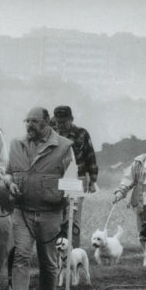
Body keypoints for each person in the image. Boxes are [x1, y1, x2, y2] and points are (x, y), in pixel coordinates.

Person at [3, 107, 78, 290]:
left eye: (34, 121)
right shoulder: (16, 145)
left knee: (48, 260)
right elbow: (8, 172)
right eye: (27, 121)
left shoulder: (63, 147)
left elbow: (72, 178)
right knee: (21, 254)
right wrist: (10, 183)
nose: (29, 125)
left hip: (50, 213)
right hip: (22, 211)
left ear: (47, 123)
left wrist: (71, 206)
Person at [113, 134, 146, 268]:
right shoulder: (139, 161)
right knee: (142, 235)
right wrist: (120, 191)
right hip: (140, 201)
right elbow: (128, 179)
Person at [50, 105, 99, 247]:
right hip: (56, 180)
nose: (61, 125)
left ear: (71, 119)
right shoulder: (50, 133)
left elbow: (90, 155)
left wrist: (93, 180)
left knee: (73, 218)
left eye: (64, 122)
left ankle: (74, 252)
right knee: (56, 218)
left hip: (77, 180)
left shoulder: (81, 133)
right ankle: (57, 252)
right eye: (58, 121)